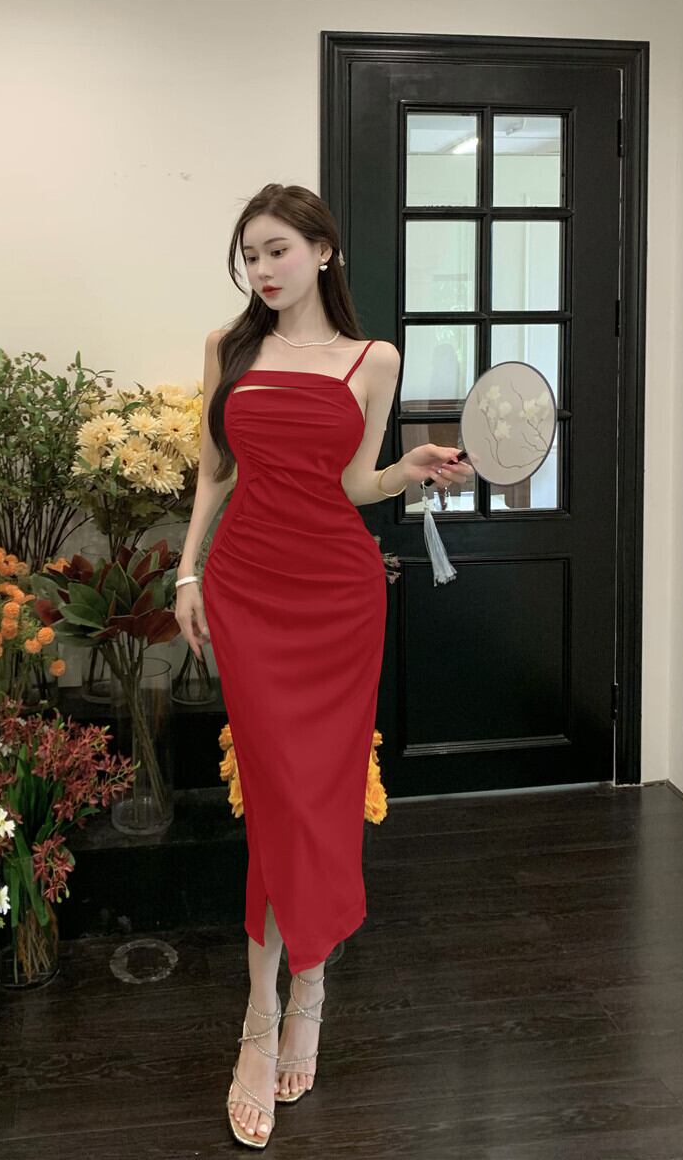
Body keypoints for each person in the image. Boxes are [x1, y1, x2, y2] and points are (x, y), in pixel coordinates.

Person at [173, 183, 472, 1148]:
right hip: (247, 591)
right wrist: (187, 572)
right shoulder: (229, 350)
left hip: (339, 599)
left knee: (321, 796)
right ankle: (262, 1018)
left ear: (323, 251)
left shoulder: (373, 359)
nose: (261, 270)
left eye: (276, 251)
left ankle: (309, 988)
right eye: (249, 256)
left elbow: (349, 484)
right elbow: (214, 472)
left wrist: (407, 470)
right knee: (273, 797)